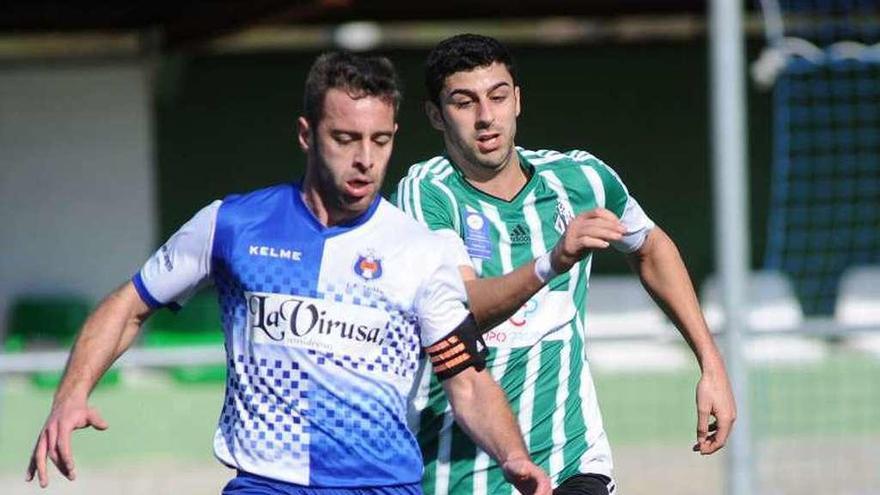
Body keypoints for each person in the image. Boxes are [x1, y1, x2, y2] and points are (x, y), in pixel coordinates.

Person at [26, 51, 551, 495]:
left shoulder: (419, 251)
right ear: (306, 134)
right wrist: (71, 394)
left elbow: (467, 379)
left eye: (380, 140)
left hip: (381, 485)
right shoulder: (231, 225)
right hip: (264, 482)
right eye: (345, 138)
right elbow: (129, 304)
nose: (366, 159)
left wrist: (512, 456)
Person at [394, 34, 737, 495]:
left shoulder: (580, 178)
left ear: (517, 100)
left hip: (572, 462)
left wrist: (711, 365)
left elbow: (651, 247)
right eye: (464, 102)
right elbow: (463, 309)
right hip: (459, 473)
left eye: (498, 96)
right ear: (436, 115)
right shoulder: (427, 192)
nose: (485, 116)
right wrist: (553, 262)